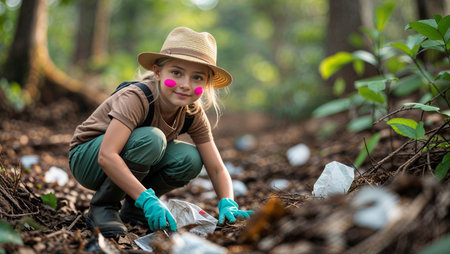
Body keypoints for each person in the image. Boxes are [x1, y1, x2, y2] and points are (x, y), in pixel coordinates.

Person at [68, 27, 254, 238]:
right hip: (87, 159)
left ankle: (134, 209)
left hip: (126, 157)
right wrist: (148, 199)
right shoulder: (137, 98)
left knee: (191, 158)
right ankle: (104, 206)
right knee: (152, 139)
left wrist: (227, 202)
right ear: (158, 72)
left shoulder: (192, 111)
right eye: (176, 73)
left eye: (197, 78)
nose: (185, 85)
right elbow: (106, 155)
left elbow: (217, 168)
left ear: (206, 84)